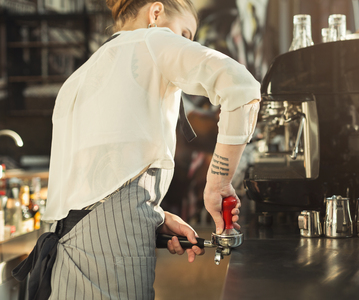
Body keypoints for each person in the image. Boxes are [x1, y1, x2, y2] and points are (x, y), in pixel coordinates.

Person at [33, 0, 260, 299]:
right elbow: (242, 88)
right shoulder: (153, 39)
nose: (186, 44)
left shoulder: (81, 75)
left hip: (63, 248)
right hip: (108, 250)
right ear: (155, 14)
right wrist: (218, 182)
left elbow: (91, 187)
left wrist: (152, 218)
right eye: (186, 35)